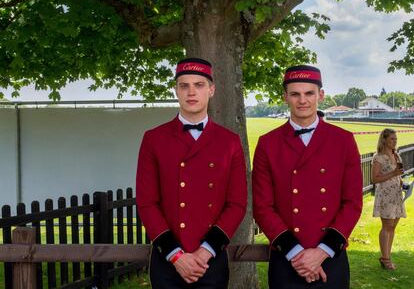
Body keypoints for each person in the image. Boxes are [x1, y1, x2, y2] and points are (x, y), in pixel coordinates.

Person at [136, 57, 247, 288]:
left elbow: (236, 204)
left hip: (211, 259)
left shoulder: (230, 142)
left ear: (211, 90)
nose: (191, 92)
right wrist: (176, 256)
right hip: (167, 258)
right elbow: (147, 203)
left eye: (199, 85)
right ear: (176, 90)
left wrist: (204, 252)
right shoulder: (154, 139)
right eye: (184, 85)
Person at [252, 65, 363, 288]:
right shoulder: (268, 143)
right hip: (287, 257)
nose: (302, 100)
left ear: (320, 95)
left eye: (309, 93)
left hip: (331, 256)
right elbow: (263, 206)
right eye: (295, 94)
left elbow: (352, 203)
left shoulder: (343, 140)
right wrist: (298, 255)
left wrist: (321, 252)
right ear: (285, 97)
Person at [372, 128, 406, 270]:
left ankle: (387, 256)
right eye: (392, 139)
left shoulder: (396, 155)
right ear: (384, 140)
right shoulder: (378, 157)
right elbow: (375, 179)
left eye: (396, 139)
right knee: (386, 227)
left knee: (393, 227)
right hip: (385, 196)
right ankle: (385, 259)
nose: (394, 141)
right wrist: (393, 173)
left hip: (396, 195)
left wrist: (402, 182)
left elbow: (398, 175)